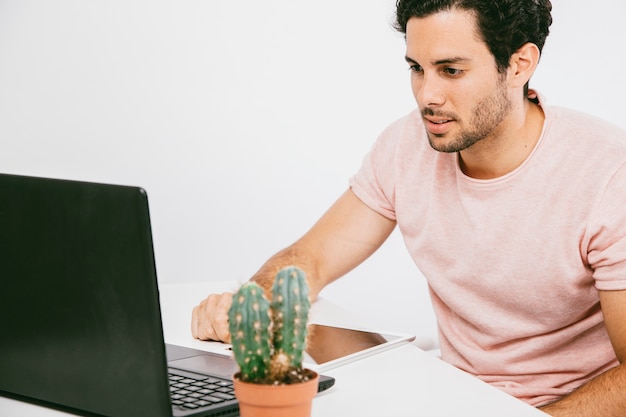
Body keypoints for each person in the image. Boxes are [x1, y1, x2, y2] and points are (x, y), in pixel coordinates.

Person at [191, 0, 626, 415]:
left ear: (519, 65)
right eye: (416, 69)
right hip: (446, 393)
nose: (427, 96)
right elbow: (312, 258)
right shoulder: (405, 146)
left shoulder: (607, 173)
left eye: (451, 70)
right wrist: (248, 305)